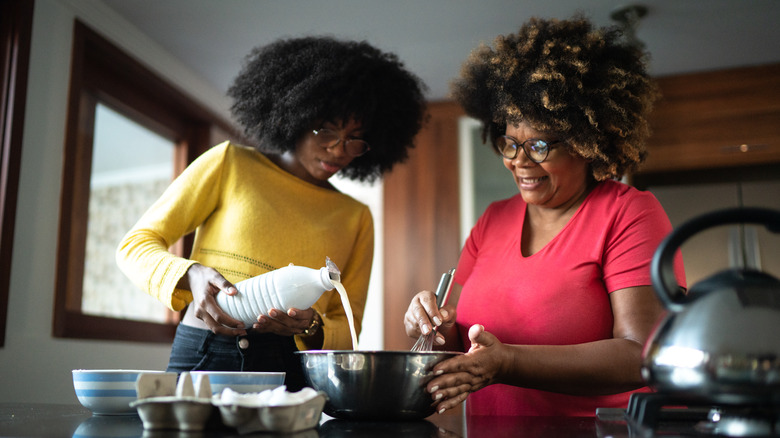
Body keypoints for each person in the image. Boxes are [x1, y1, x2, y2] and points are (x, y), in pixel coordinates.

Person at [404, 16, 686, 416]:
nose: (519, 162)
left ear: (588, 143)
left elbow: (641, 353)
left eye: (538, 145)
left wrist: (508, 362)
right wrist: (431, 327)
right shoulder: (493, 219)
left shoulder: (628, 212)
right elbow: (465, 345)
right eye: (509, 143)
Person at [117, 36, 427, 391]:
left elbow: (348, 325)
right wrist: (191, 275)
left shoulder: (355, 217)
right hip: (205, 347)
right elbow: (135, 246)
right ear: (294, 111)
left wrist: (311, 326)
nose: (339, 149)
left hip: (292, 366)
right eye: (326, 129)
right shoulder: (230, 163)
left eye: (355, 139)